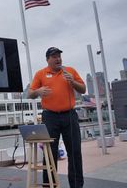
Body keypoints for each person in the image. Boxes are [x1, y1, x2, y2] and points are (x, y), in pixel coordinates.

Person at [28, 47, 86, 188]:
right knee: (49, 153)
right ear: (48, 59)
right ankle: (49, 185)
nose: (58, 59)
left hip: (69, 116)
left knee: (75, 152)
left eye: (59, 56)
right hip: (50, 117)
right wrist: (38, 91)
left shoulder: (70, 71)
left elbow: (83, 89)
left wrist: (73, 82)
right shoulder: (40, 74)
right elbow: (30, 94)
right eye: (54, 56)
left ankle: (77, 185)